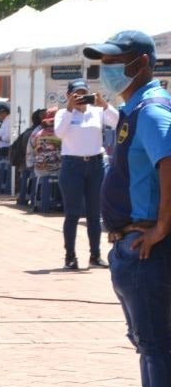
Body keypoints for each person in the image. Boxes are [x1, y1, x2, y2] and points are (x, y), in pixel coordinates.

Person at [84, 30, 171, 387]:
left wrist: (160, 228)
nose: (107, 70)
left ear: (140, 64)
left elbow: (168, 162)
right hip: (129, 245)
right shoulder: (131, 111)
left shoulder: (152, 111)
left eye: (115, 61)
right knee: (146, 343)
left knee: (156, 344)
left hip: (145, 247)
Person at [55, 79, 119, 270]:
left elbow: (116, 121)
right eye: (76, 94)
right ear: (68, 96)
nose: (81, 97)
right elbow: (59, 133)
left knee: (94, 213)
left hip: (95, 164)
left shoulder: (97, 113)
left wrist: (104, 104)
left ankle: (95, 255)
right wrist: (69, 109)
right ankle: (70, 256)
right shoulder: (63, 113)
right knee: (73, 213)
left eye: (84, 93)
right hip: (72, 165)